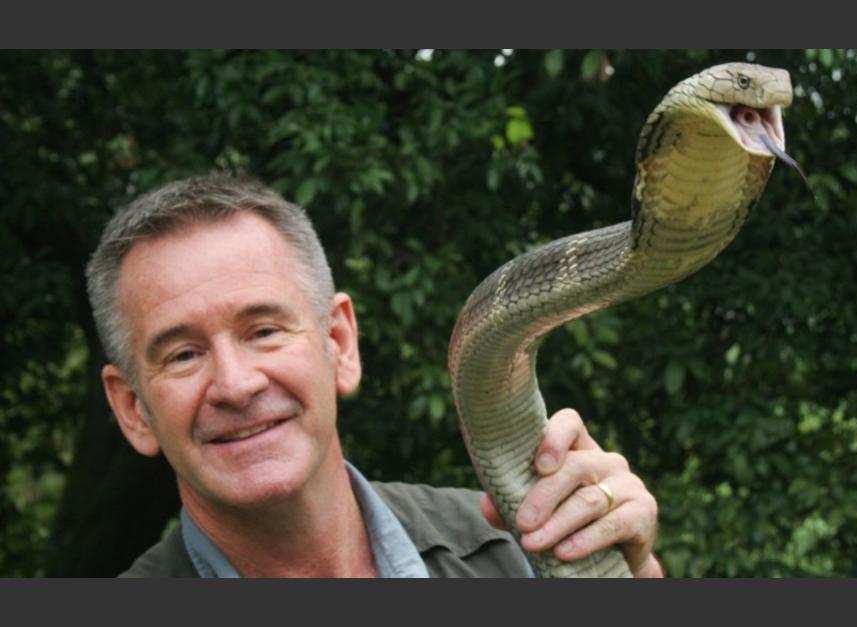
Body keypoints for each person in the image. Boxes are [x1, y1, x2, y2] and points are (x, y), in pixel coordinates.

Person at [86, 174, 663, 578]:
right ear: (133, 409)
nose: (236, 385)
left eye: (263, 330)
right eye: (183, 355)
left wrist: (630, 573)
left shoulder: (515, 551)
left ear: (339, 343)